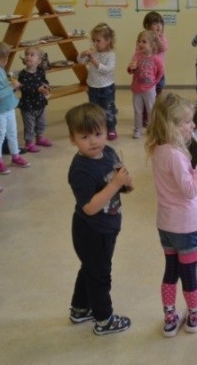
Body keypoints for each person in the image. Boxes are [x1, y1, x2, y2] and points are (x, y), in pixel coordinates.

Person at [146, 93, 197, 336]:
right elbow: (189, 191)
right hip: (187, 226)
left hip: (166, 225)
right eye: (187, 122)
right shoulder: (176, 155)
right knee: (189, 274)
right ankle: (194, 314)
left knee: (171, 271)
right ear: (171, 125)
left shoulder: (159, 149)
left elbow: (178, 183)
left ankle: (169, 318)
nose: (193, 126)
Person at [65, 103, 132, 336]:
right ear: (72, 139)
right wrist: (114, 184)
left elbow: (117, 181)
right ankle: (104, 320)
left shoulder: (109, 152)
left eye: (98, 134)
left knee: (90, 269)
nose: (93, 141)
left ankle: (80, 308)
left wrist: (124, 183)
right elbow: (90, 207)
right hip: (92, 230)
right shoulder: (80, 170)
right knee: (100, 275)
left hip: (108, 225)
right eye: (85, 136)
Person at [0, 42, 29, 174]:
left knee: (12, 133)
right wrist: (12, 87)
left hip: (9, 107)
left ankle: (15, 156)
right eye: (3, 57)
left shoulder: (0, 70)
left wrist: (10, 85)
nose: (6, 60)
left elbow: (4, 88)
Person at [79, 23, 118, 141]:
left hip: (106, 87)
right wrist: (82, 54)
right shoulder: (93, 52)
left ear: (108, 41)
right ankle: (97, 128)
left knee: (108, 110)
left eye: (98, 40)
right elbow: (81, 61)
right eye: (93, 40)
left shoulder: (111, 55)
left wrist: (95, 62)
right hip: (93, 86)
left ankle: (111, 128)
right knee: (94, 110)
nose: (95, 43)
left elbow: (107, 70)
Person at [127, 30, 163, 139]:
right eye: (139, 41)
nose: (140, 44)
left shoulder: (156, 59)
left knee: (151, 110)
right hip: (136, 89)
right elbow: (130, 70)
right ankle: (137, 129)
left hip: (149, 90)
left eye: (144, 41)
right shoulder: (137, 56)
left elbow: (160, 72)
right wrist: (131, 68)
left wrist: (154, 83)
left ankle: (152, 129)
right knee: (138, 111)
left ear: (152, 45)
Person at [18, 46, 53, 153]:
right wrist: (38, 89)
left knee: (41, 122)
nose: (28, 56)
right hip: (27, 105)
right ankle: (29, 143)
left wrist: (46, 86)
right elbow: (23, 88)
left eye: (32, 55)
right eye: (27, 54)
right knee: (30, 125)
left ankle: (39, 137)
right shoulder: (23, 73)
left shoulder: (40, 71)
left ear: (39, 60)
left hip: (40, 102)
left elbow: (44, 81)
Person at [143, 11, 170, 96]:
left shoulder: (162, 37)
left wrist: (157, 38)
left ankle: (157, 104)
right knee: (148, 90)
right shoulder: (144, 38)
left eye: (160, 23)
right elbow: (139, 51)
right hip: (147, 70)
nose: (158, 26)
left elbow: (163, 48)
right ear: (147, 26)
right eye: (155, 23)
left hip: (159, 71)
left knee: (159, 88)